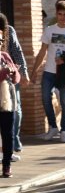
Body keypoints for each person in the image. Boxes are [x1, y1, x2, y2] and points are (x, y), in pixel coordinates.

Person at [31, 1, 65, 143]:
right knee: (45, 98)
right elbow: (42, 51)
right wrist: (34, 71)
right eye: (60, 14)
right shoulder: (49, 30)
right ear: (56, 14)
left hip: (64, 73)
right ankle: (53, 127)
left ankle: (64, 131)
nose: (62, 17)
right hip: (49, 71)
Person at [0, 14, 29, 159]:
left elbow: (18, 52)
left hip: (9, 79)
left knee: (15, 110)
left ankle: (13, 141)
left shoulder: (9, 31)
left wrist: (23, 73)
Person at [0, 32, 20, 178]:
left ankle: (7, 165)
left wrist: (14, 73)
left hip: (7, 100)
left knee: (8, 134)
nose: (0, 43)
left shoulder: (5, 55)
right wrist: (4, 71)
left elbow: (16, 78)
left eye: (1, 40)